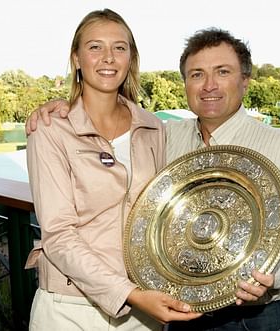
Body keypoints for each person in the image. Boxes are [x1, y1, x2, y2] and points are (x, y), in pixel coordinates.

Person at [26, 28, 280, 331]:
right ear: (186, 83)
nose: (209, 86)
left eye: (223, 72)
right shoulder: (164, 137)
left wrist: (277, 273)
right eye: (197, 74)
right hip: (180, 312)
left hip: (255, 317)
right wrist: (63, 109)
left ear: (245, 80)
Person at [25, 9, 201, 331]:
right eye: (95, 47)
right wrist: (130, 293)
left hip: (142, 309)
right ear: (77, 58)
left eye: (119, 48)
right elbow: (59, 234)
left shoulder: (153, 128)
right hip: (69, 307)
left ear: (130, 59)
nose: (108, 57)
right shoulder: (50, 129)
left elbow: (163, 215)